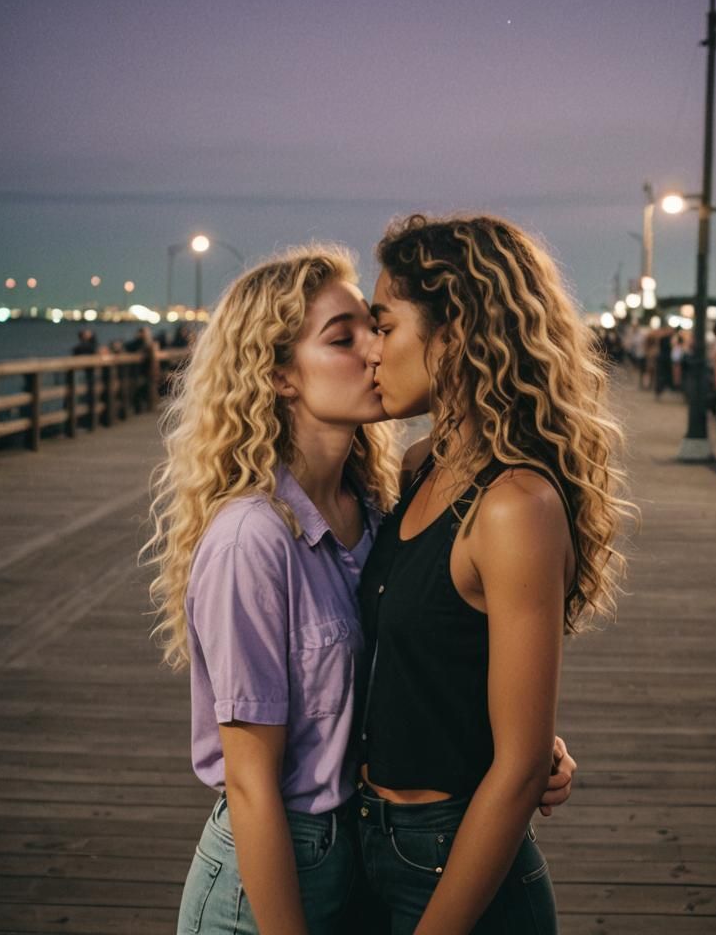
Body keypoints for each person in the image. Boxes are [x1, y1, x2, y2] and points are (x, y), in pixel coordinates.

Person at [143, 245, 575, 935]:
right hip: (267, 879)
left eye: (377, 329)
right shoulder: (251, 537)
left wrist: (526, 746)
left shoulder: (376, 509)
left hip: (362, 861)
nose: (375, 351)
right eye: (345, 338)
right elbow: (251, 782)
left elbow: (416, 658)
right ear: (282, 376)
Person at [359, 214, 631, 934]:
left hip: (457, 871)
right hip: (368, 846)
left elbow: (516, 773)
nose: (370, 351)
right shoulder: (420, 469)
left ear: (453, 336)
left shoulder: (513, 506)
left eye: (384, 326)